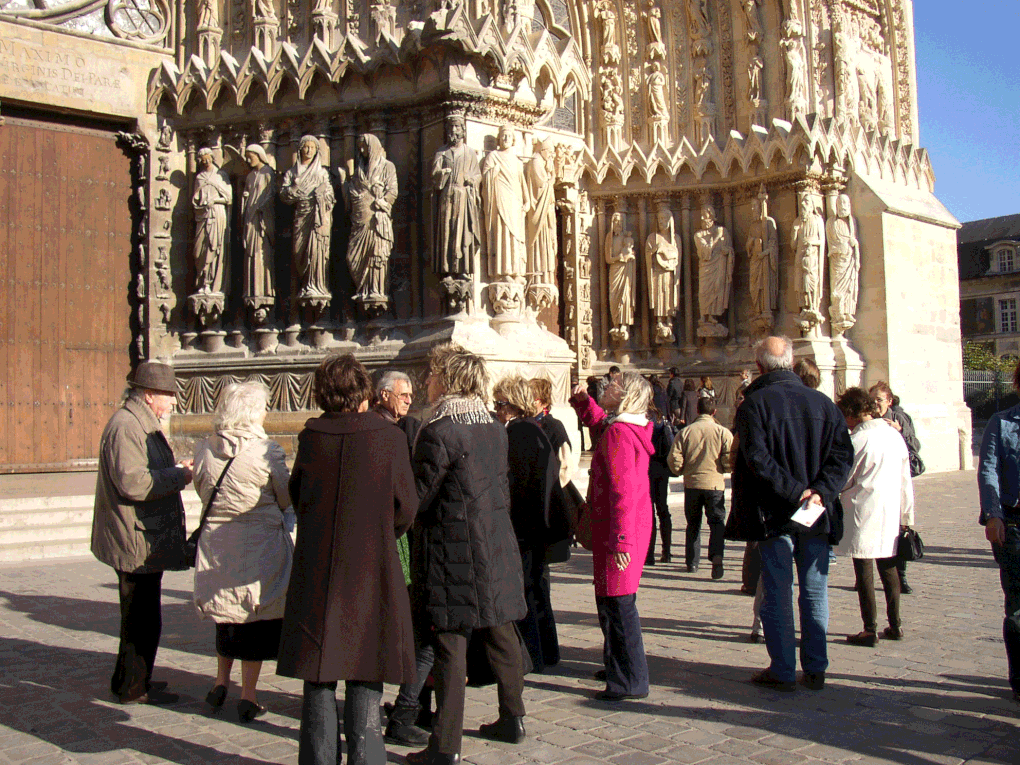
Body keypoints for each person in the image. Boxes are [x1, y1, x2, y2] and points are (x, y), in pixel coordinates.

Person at [277, 354, 417, 765]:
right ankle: (366, 757)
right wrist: (377, 532)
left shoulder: (311, 436)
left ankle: (318, 759)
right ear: (363, 391)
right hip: (371, 568)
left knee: (319, 673)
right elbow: (407, 507)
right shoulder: (388, 437)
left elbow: (298, 496)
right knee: (365, 667)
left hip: (318, 567)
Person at [408, 343, 527, 765]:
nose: (427, 380)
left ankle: (445, 745)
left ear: (450, 379)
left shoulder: (440, 430)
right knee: (500, 631)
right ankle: (512, 717)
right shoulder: (494, 426)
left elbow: (419, 497)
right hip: (494, 540)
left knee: (450, 643)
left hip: (453, 548)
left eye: (433, 373)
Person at [731, 336, 853, 692]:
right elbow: (842, 457)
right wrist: (820, 492)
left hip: (775, 512)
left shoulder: (754, 405)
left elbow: (757, 459)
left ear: (759, 366)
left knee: (778, 591)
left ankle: (783, 668)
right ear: (792, 362)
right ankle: (816, 667)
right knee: (815, 591)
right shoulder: (823, 403)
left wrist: (795, 492)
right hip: (815, 512)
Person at [91, 361, 193, 705]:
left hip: (141, 535)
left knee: (141, 618)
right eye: (168, 395)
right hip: (133, 539)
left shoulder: (138, 421)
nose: (173, 402)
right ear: (148, 395)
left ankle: (131, 681)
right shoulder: (127, 426)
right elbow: (133, 482)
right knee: (141, 621)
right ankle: (134, 688)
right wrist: (178, 476)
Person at [192, 382, 293, 722]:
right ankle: (248, 695)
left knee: (226, 615)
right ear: (253, 412)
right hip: (258, 546)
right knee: (254, 618)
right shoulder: (267, 451)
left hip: (218, 544)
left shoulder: (204, 449)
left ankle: (220, 681)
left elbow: (202, 490)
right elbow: (285, 496)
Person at [570, 373, 655, 701]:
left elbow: (623, 489)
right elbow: (598, 421)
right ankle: (618, 664)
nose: (608, 387)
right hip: (623, 526)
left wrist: (621, 540)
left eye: (615, 385)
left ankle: (631, 680)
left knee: (619, 605)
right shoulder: (622, 427)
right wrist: (582, 401)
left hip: (619, 529)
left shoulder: (619, 433)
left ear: (627, 396)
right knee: (612, 601)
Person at [371, 370, 432, 748]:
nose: (409, 399)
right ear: (382, 396)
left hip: (385, 543)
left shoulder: (392, 428)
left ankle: (388, 705)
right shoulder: (392, 435)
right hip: (395, 545)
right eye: (403, 394)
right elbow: (405, 501)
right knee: (417, 633)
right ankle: (405, 709)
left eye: (411, 394)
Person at [835, 387, 913, 647]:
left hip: (863, 509)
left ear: (852, 414)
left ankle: (869, 628)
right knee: (889, 568)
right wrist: (907, 515)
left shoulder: (858, 441)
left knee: (865, 571)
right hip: (890, 509)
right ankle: (896, 623)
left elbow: (844, 479)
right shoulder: (894, 436)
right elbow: (905, 481)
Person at [493, 375, 560, 673]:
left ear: (512, 404)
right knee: (537, 589)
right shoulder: (533, 429)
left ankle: (531, 654)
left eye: (500, 404)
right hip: (536, 524)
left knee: (526, 591)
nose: (496, 409)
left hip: (523, 526)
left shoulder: (518, 434)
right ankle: (547, 650)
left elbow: (517, 486)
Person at [978, 358, 1020, 706]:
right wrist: (993, 515)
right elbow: (988, 469)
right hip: (1015, 523)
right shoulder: (1002, 423)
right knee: (1018, 606)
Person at [667, 397, 734, 578]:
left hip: (692, 484)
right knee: (717, 524)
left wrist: (680, 470)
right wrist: (725, 468)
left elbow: (674, 457)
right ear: (714, 412)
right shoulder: (723, 432)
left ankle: (692, 562)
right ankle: (717, 556)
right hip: (714, 484)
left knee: (693, 524)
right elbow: (730, 458)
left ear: (697, 410)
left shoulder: (686, 432)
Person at [870, 381, 923, 593]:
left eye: (879, 400)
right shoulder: (869, 418)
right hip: (875, 481)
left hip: (896, 482)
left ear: (889, 401)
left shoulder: (899, 417)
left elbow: (915, 445)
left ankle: (901, 577)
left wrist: (900, 431)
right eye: (872, 400)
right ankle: (865, 577)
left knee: (898, 530)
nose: (875, 404)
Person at [647, 406, 675, 565]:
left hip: (647, 466)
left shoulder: (644, 419)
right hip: (662, 467)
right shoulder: (661, 418)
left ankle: (649, 553)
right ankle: (667, 551)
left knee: (649, 511)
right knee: (663, 509)